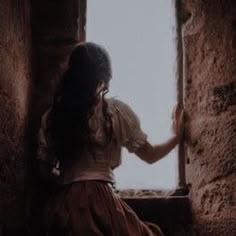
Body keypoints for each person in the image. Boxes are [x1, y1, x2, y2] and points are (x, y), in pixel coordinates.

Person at [36, 42, 184, 236]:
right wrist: (176, 137)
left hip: (64, 205)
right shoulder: (114, 112)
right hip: (101, 202)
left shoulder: (53, 117)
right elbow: (150, 155)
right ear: (102, 79)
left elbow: (43, 171)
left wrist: (69, 180)